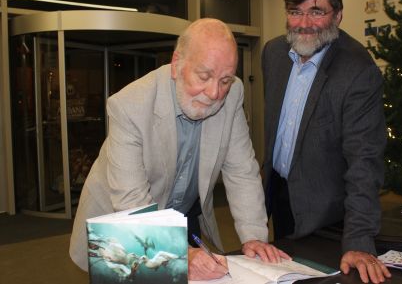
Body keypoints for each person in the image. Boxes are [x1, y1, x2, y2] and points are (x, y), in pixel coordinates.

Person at [70, 18, 289, 281]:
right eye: (204, 76)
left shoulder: (233, 94)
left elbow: (242, 171)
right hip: (122, 219)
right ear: (176, 65)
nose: (215, 93)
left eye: (225, 80)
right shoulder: (128, 105)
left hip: (179, 214)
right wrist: (181, 254)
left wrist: (254, 235)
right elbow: (131, 203)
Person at [262, 0, 391, 283]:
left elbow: (365, 161)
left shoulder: (358, 70)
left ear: (338, 15)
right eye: (295, 11)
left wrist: (359, 240)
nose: (304, 22)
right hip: (279, 191)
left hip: (326, 211)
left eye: (316, 11)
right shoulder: (273, 53)